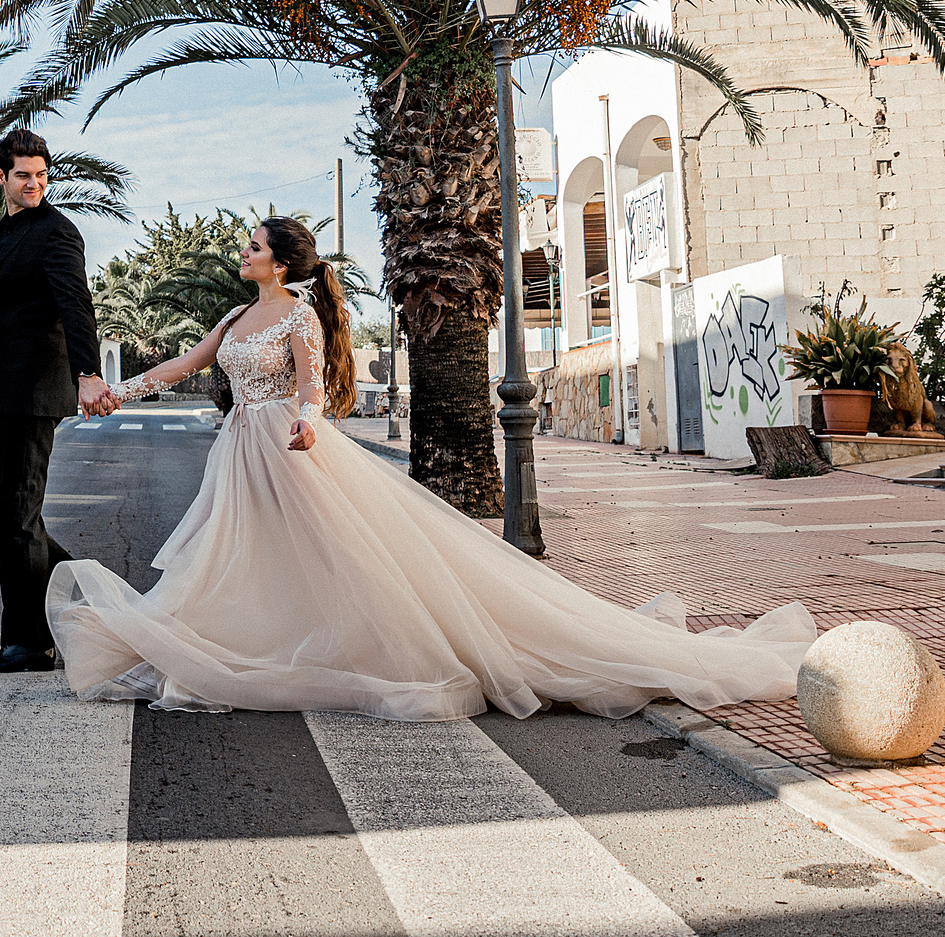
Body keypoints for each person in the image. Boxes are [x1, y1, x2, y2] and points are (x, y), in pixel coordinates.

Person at [44, 216, 816, 720]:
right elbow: (186, 363)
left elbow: (315, 395)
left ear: (279, 261)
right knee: (244, 556)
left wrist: (310, 428)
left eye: (251, 245)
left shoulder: (299, 316)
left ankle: (364, 643)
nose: (241, 253)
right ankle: (251, 638)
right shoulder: (236, 316)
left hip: (289, 447)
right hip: (243, 450)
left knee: (339, 556)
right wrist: (118, 390)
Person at [0, 128, 112, 674]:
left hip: (37, 389)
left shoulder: (56, 232)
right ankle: (78, 586)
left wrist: (88, 372)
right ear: (0, 177)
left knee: (21, 514)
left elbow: (76, 302)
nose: (34, 183)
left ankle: (28, 642)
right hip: (5, 386)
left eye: (41, 175)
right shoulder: (5, 232)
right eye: (23, 175)